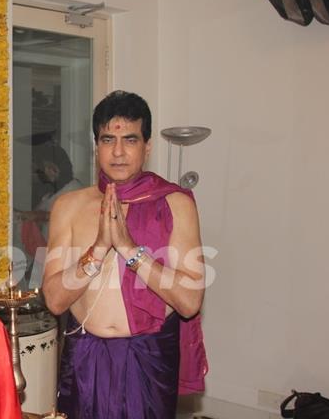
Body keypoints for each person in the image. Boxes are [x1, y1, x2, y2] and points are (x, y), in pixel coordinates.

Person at [42, 90, 208, 418]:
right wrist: (100, 248)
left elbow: (189, 303)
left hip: (148, 355)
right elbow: (55, 301)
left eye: (130, 140)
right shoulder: (69, 206)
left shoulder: (175, 204)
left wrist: (130, 250)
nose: (118, 152)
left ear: (147, 146)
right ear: (96, 145)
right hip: (84, 354)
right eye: (107, 139)